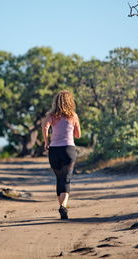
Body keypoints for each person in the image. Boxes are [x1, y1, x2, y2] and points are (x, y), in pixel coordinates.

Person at [42, 90, 81, 219]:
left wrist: (46, 141)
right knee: (66, 179)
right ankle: (63, 206)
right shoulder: (73, 116)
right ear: (70, 101)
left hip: (54, 151)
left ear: (56, 101)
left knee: (59, 179)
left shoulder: (51, 116)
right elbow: (78, 135)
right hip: (68, 150)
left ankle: (62, 207)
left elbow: (45, 127)